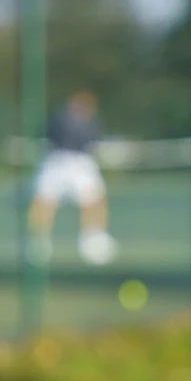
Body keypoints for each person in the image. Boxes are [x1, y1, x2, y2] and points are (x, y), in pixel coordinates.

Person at [28, 88, 118, 266]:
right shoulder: (59, 118)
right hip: (56, 161)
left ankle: (93, 240)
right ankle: (38, 242)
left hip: (80, 163)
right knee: (44, 200)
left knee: (94, 200)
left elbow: (94, 141)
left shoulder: (90, 121)